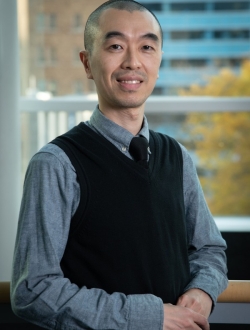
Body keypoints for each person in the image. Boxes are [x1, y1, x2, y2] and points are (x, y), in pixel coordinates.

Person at [11, 1, 227, 329]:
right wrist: (151, 317)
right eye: (115, 46)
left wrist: (202, 290)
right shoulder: (56, 164)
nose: (133, 62)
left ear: (158, 61)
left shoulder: (177, 156)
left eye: (146, 47)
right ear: (87, 63)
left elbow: (209, 249)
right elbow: (33, 290)